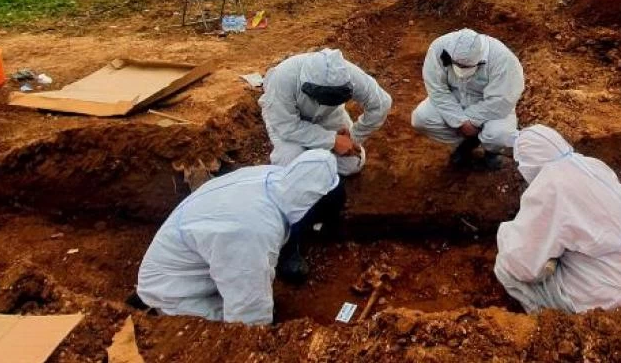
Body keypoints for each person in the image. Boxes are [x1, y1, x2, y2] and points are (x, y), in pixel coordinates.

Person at [136, 150, 342, 325]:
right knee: (233, 323)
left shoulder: (276, 177)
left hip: (196, 256)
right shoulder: (252, 232)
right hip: (173, 292)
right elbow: (247, 318)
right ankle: (158, 312)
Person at [495, 125, 621, 313]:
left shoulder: (551, 186)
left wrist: (506, 234)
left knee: (506, 267)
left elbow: (522, 265)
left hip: (617, 305)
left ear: (527, 164)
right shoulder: (591, 166)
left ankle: (550, 324)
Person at [259, 48, 392, 176]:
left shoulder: (349, 75)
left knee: (353, 164)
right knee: (289, 164)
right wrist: (332, 140)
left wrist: (353, 136)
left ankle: (315, 157)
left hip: (328, 116)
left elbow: (381, 103)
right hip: (287, 121)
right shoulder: (282, 79)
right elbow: (287, 127)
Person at [411, 28, 524, 169]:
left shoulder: (502, 59)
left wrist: (472, 121)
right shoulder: (439, 48)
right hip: (455, 98)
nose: (461, 69)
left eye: (466, 66)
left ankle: (492, 152)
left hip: (490, 106)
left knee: (499, 135)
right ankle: (467, 143)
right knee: (421, 119)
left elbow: (501, 100)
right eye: (457, 65)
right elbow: (437, 90)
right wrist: (460, 121)